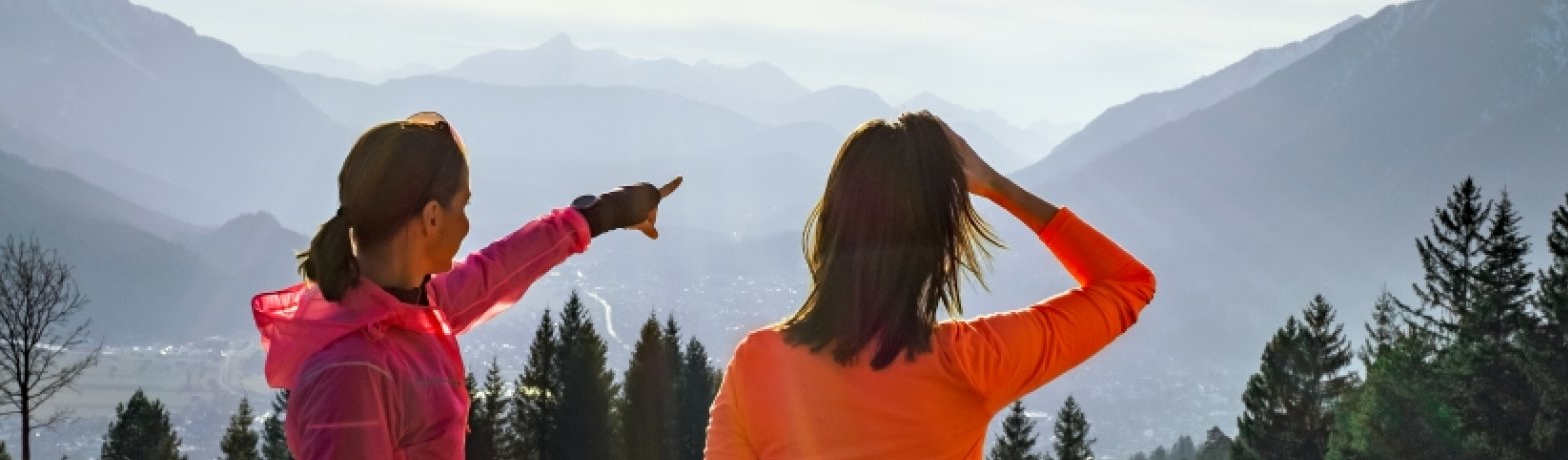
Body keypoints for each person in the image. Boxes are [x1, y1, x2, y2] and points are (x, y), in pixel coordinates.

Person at [704, 111, 1157, 459]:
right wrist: (995, 185)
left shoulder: (755, 365)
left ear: (830, 226)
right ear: (939, 246)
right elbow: (1126, 283)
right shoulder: (971, 362)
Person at [250, 112, 679, 459]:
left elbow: (501, 269)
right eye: (463, 206)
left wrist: (609, 210)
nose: (466, 224)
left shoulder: (419, 306)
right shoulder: (354, 370)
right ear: (432, 216)